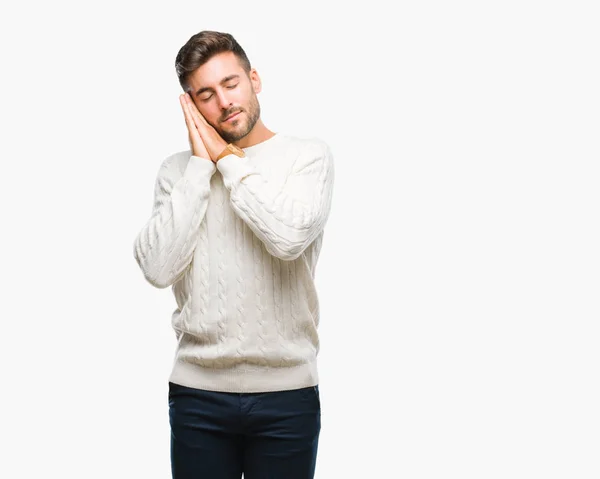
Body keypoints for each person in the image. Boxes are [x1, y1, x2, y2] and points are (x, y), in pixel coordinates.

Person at [132, 30, 335, 479]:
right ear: (191, 106)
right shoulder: (177, 171)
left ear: (254, 79)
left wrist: (225, 157)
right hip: (197, 394)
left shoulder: (307, 156)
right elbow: (158, 268)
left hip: (288, 395)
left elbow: (287, 237)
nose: (224, 102)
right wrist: (201, 165)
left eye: (231, 84)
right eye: (206, 94)